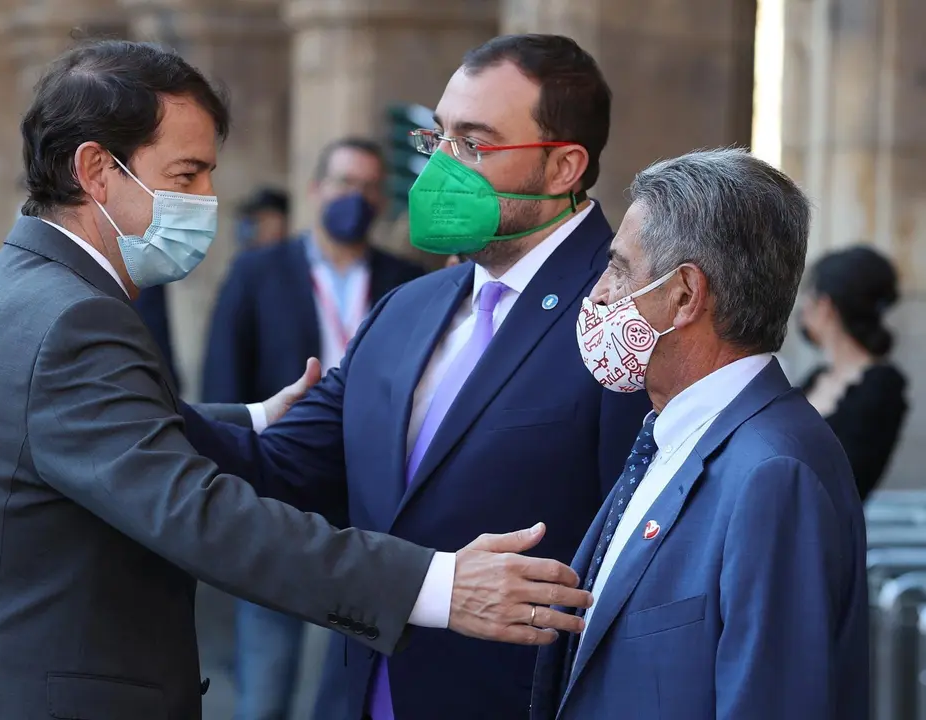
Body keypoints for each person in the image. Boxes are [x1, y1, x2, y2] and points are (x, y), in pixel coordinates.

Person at [0, 40, 594, 720]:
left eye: (472, 143)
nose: (208, 198)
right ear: (95, 170)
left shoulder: (20, 290)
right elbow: (201, 515)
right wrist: (438, 585)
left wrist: (256, 418)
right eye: (187, 175)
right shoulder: (72, 319)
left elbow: (106, 431)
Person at [180, 34, 652, 720]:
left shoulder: (625, 318)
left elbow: (641, 565)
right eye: (438, 138)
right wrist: (122, 398)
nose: (440, 167)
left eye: (473, 144)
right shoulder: (406, 308)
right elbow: (282, 466)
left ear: (563, 167)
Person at [530, 148, 869, 719]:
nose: (600, 293)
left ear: (685, 294)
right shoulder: (675, 433)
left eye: (619, 268)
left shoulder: (773, 472)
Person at [201, 136, 424, 720]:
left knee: (355, 674)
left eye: (370, 187)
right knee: (267, 672)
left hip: (371, 494)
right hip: (281, 489)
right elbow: (223, 375)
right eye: (346, 183)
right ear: (317, 189)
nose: (358, 197)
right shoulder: (258, 271)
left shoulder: (407, 281)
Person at [798, 245, 908, 499]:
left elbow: (847, 479)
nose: (803, 306)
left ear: (826, 306)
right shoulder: (817, 377)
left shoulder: (881, 387)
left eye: (809, 294)